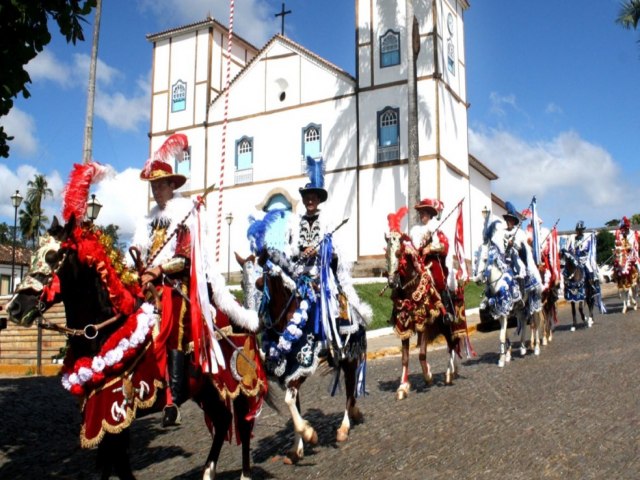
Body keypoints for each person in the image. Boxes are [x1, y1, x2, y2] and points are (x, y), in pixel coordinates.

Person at [132, 135, 194, 428]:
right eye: (153, 186)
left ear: (172, 185)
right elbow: (140, 248)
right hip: (148, 284)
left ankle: (174, 396)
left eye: (161, 185)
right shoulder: (148, 219)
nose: (157, 191)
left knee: (174, 325)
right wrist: (135, 261)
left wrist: (158, 271)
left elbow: (184, 258)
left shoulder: (185, 215)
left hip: (174, 284)